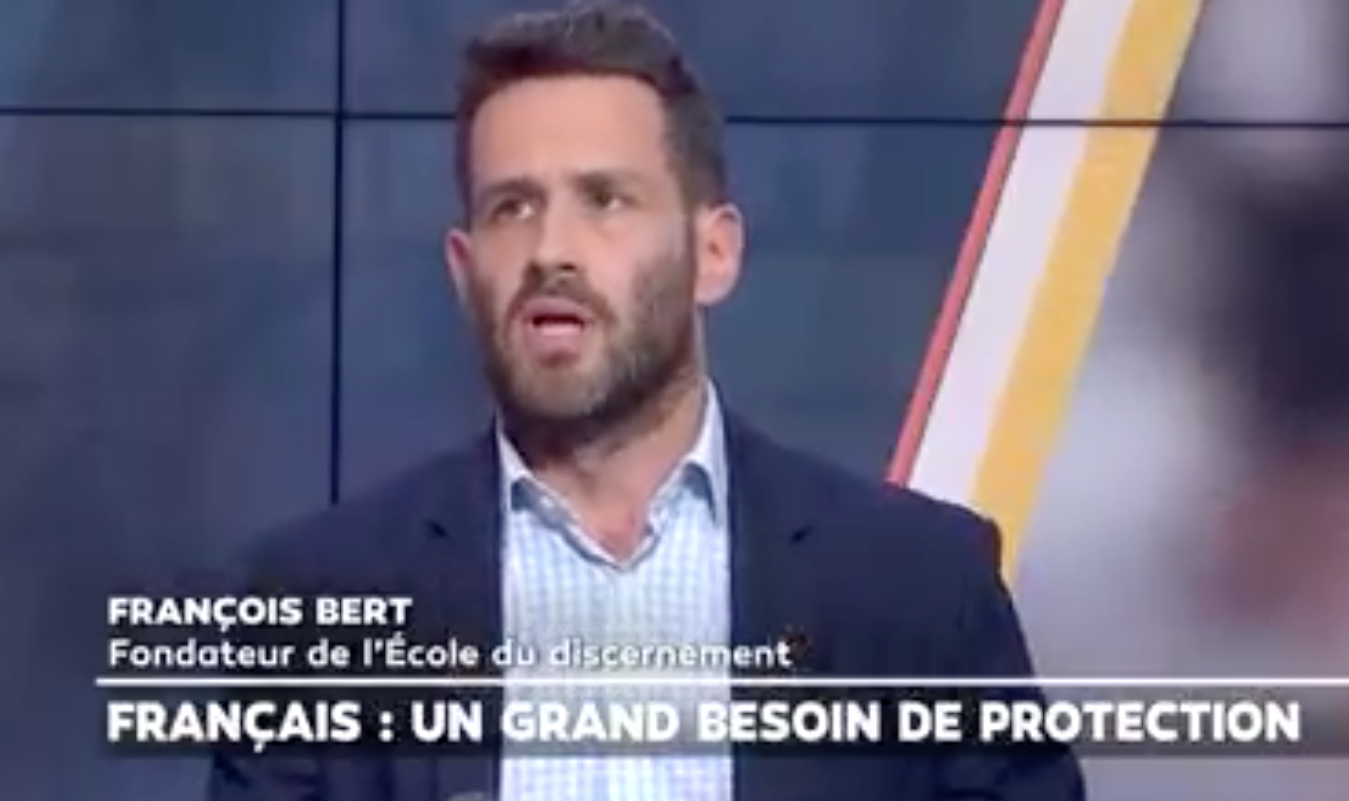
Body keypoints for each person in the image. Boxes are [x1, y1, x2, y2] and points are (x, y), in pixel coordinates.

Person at [207, 2, 1082, 799]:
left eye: (604, 200)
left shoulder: (919, 586)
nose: (551, 249)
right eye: (512, 207)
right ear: (464, 272)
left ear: (714, 253)